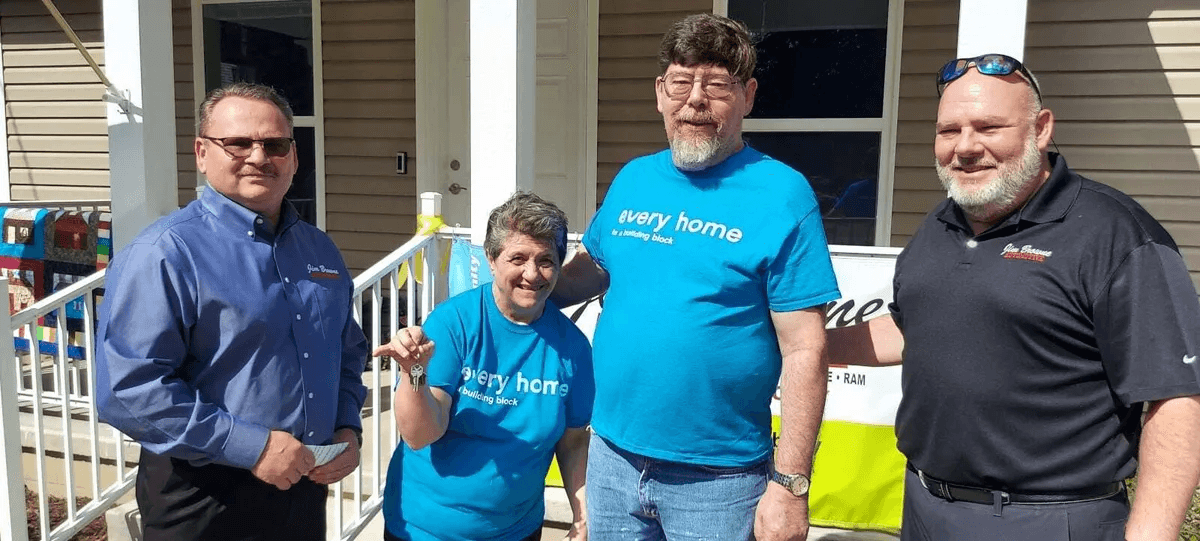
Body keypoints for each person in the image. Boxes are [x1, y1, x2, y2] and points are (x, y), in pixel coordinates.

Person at [827, 54, 1200, 541]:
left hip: (1050, 518)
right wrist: (809, 346)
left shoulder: (1117, 236)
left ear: (1041, 129)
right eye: (948, 130)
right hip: (924, 505)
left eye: (988, 127)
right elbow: (909, 327)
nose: (965, 147)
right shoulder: (942, 223)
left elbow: (1174, 397)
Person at [552, 13, 840, 541]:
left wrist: (790, 485)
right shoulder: (634, 178)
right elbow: (591, 271)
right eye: (681, 82)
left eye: (717, 85)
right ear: (660, 92)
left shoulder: (782, 194)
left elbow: (805, 350)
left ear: (749, 96)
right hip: (611, 458)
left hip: (720, 481)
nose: (695, 100)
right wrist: (512, 284)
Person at [96, 82, 368, 541]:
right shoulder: (165, 253)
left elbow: (346, 352)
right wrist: (251, 446)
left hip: (301, 483)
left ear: (294, 157)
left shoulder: (317, 248)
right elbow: (128, 389)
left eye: (275, 144)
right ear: (202, 153)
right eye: (238, 143)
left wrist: (347, 426)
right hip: (203, 491)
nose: (259, 157)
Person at [373, 192, 593, 541]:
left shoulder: (573, 348)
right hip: (424, 530)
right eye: (517, 258)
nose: (532, 274)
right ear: (491, 260)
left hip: (516, 531)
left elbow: (573, 443)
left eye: (546, 260)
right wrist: (413, 372)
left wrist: (583, 516)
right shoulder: (455, 322)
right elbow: (419, 434)